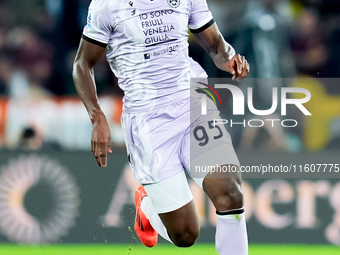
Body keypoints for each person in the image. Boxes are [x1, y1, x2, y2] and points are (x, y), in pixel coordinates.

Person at [73, 0, 249, 254]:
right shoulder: (107, 5)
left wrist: (230, 58)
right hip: (148, 121)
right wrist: (97, 116)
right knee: (185, 234)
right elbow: (82, 64)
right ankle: (145, 206)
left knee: (230, 193)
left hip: (192, 101)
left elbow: (215, 44)